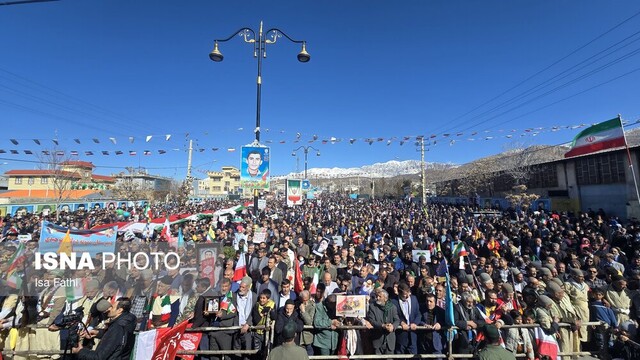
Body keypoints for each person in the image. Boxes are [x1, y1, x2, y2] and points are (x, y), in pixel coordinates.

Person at [72, 297, 137, 360]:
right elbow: (116, 340)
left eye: (113, 307)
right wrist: (98, 333)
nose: (109, 309)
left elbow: (99, 357)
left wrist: (80, 351)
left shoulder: (118, 327)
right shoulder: (126, 322)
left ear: (120, 310)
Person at [366, 288, 400, 355]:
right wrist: (383, 325)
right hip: (377, 339)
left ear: (385, 298)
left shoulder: (392, 307)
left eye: (380, 297)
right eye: (377, 296)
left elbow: (396, 320)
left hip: (389, 340)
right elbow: (371, 320)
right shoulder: (372, 307)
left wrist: (393, 326)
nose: (377, 298)